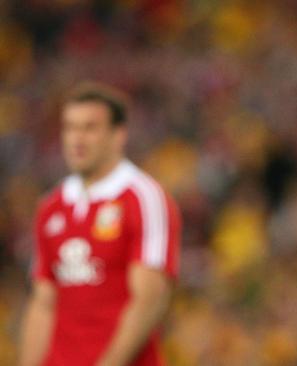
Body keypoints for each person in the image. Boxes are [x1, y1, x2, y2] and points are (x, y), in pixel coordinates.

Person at [19, 82, 181, 366]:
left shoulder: (142, 198)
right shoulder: (51, 207)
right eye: (70, 128)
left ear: (118, 135)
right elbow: (44, 303)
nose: (76, 139)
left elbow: (149, 299)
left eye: (90, 128)